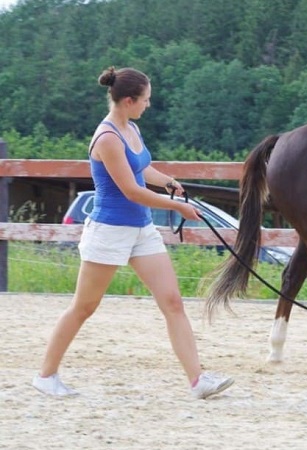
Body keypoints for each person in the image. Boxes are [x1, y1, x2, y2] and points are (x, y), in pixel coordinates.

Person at [32, 66, 233, 399]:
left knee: (172, 301)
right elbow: (130, 190)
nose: (148, 105)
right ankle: (46, 375)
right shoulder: (108, 138)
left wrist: (167, 180)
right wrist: (178, 207)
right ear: (128, 100)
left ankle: (198, 381)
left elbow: (141, 168)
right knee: (84, 307)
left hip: (141, 229)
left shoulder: (131, 128)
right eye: (145, 100)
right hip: (109, 230)